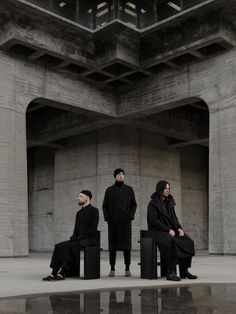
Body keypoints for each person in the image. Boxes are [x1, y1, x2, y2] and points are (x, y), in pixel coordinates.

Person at [42, 190, 99, 281]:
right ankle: (54, 273)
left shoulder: (94, 211)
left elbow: (93, 229)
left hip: (89, 239)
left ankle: (62, 273)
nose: (78, 198)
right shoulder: (79, 213)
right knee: (59, 246)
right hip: (78, 239)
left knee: (70, 246)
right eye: (78, 196)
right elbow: (76, 229)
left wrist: (79, 238)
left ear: (87, 198)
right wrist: (73, 238)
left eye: (80, 196)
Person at [147, 180, 197, 281]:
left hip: (171, 230)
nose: (167, 190)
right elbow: (153, 221)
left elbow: (175, 218)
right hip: (157, 230)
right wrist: (167, 229)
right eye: (165, 188)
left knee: (188, 241)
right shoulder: (153, 203)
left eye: (168, 188)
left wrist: (179, 228)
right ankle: (170, 272)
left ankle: (184, 270)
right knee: (172, 242)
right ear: (160, 189)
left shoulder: (169, 201)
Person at [102, 168, 137, 277]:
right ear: (115, 176)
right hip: (113, 222)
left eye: (122, 174)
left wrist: (130, 216)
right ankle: (112, 268)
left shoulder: (129, 189)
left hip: (126, 222)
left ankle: (127, 268)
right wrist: (108, 218)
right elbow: (105, 206)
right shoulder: (109, 190)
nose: (121, 176)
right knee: (113, 246)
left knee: (127, 246)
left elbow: (134, 204)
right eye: (118, 174)